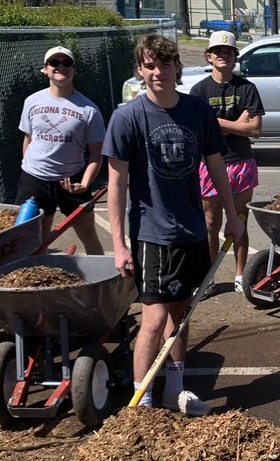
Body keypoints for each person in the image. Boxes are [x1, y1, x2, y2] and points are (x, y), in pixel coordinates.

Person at [104, 34, 243, 416]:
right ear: (140, 70)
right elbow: (115, 185)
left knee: (181, 312)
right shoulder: (127, 118)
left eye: (164, 65)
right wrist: (118, 244)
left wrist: (232, 215)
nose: (157, 72)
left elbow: (216, 165)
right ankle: (142, 404)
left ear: (176, 68)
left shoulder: (197, 111)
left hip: (193, 231)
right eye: (149, 65)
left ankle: (175, 390)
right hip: (152, 233)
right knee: (153, 319)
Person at [189, 30, 264, 294]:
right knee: (211, 224)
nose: (223, 55)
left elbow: (255, 129)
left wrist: (217, 124)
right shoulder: (198, 91)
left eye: (228, 52)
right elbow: (199, 130)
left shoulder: (247, 88)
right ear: (209, 57)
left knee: (240, 221)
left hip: (240, 162)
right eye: (218, 52)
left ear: (235, 57)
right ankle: (208, 277)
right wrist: (237, 123)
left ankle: (241, 275)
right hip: (209, 164)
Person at [16, 46, 106, 253]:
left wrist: (85, 184)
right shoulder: (32, 101)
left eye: (66, 63)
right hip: (35, 179)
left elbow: (96, 155)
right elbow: (28, 139)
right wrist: (29, 168)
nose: (60, 67)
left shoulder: (88, 109)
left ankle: (100, 280)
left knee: (89, 235)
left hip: (71, 180)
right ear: (45, 69)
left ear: (74, 69)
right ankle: (35, 279)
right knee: (32, 241)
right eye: (54, 63)